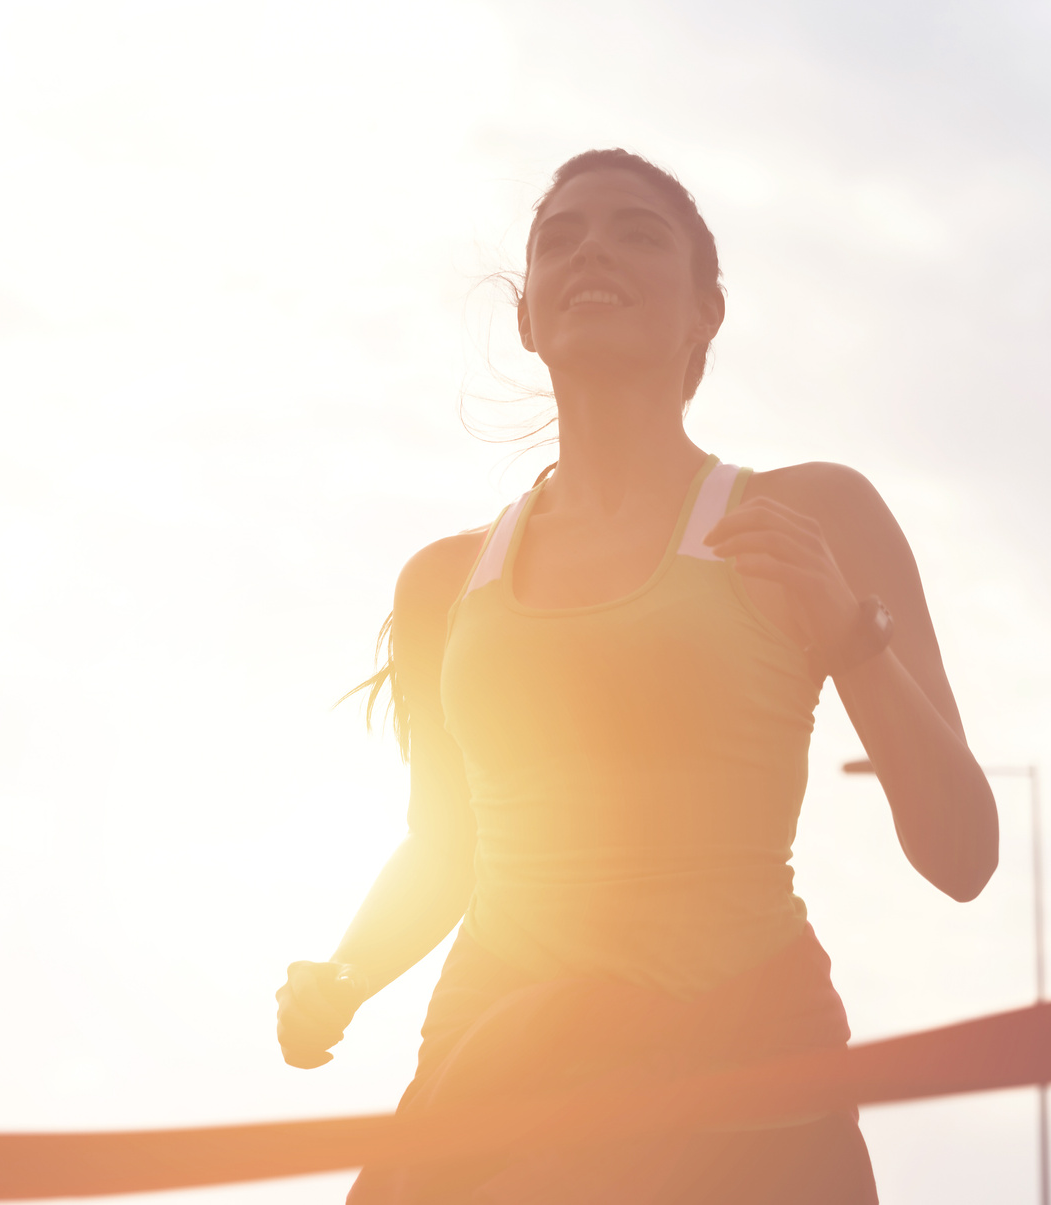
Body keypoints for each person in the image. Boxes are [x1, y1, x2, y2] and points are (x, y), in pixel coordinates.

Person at [274, 148, 999, 1203]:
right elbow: (447, 844)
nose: (592, 249)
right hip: (496, 1086)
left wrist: (852, 636)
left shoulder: (814, 515)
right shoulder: (444, 580)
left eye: (636, 231)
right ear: (526, 316)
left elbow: (963, 853)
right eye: (558, 238)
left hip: (746, 1088)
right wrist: (346, 975)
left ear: (707, 310)